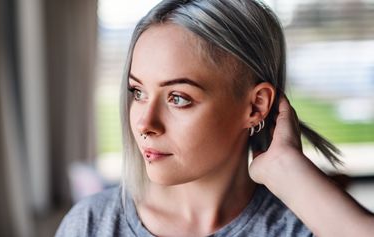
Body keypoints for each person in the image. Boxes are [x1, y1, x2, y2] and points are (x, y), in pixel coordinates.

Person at [55, 0, 374, 236]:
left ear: (255, 107)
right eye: (138, 92)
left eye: (177, 98)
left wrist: (286, 169)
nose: (144, 124)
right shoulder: (92, 225)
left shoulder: (306, 226)